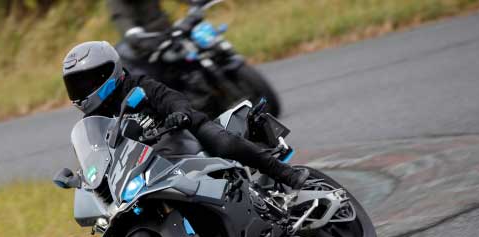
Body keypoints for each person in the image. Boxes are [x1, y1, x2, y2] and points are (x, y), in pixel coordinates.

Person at [62, 41, 309, 188]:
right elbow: (96, 153)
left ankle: (285, 173)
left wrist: (179, 114)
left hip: (184, 133)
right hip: (148, 163)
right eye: (76, 85)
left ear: (108, 72)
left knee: (223, 143)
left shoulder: (137, 85)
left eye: (86, 82)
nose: (82, 91)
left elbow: (169, 98)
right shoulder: (93, 122)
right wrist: (85, 178)